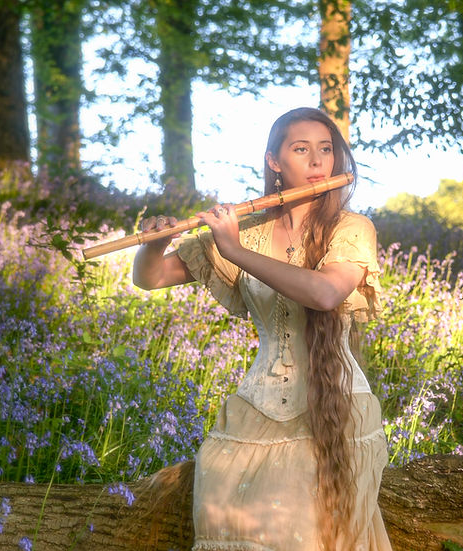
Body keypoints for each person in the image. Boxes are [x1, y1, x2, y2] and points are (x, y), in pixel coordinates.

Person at [132, 107, 392, 551]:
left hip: (339, 404)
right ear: (274, 162)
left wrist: (232, 249)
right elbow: (150, 278)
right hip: (257, 406)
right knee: (223, 514)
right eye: (301, 149)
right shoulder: (245, 229)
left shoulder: (351, 227)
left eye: (326, 150)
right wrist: (154, 245)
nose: (317, 162)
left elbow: (326, 293)